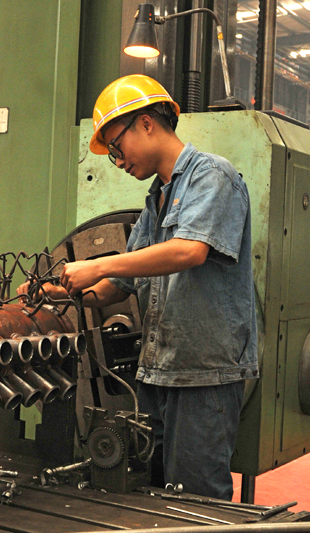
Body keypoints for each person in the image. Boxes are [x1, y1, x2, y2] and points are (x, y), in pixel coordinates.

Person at [23, 75, 258, 500]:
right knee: (149, 492)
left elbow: (190, 251)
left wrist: (95, 265)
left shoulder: (212, 175)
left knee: (196, 501)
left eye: (117, 147)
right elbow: (118, 286)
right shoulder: (156, 201)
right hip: (157, 373)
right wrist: (61, 293)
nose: (117, 161)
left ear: (147, 123)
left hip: (203, 375)